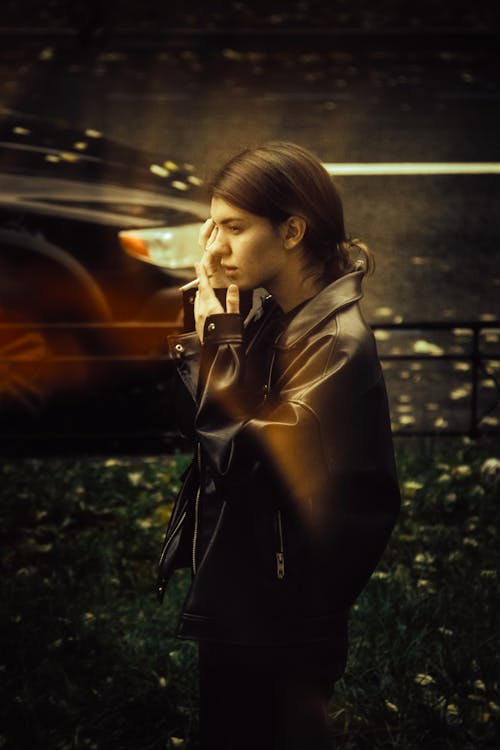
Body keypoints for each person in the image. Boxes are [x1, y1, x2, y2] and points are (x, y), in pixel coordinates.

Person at [157, 142, 401, 750]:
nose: (214, 249)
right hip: (251, 597)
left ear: (292, 230)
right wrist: (214, 326)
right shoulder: (278, 316)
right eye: (212, 227)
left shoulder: (337, 345)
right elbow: (197, 428)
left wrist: (217, 337)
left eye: (234, 228)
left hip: (285, 620)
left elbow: (241, 459)